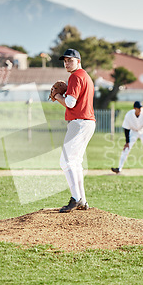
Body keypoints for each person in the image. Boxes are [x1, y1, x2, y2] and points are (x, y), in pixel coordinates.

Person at [53, 48, 96, 213]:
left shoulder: (76, 76)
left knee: (66, 161)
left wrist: (57, 97)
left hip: (79, 122)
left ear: (78, 61)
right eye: (65, 61)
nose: (66, 63)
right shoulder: (85, 76)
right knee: (75, 162)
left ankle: (76, 199)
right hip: (87, 122)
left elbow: (70, 103)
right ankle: (82, 200)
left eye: (70, 60)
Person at [111, 101, 143, 176]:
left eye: (141, 108)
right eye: (138, 108)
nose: (140, 109)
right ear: (134, 108)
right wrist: (127, 142)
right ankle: (119, 168)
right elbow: (126, 128)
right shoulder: (129, 114)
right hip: (133, 131)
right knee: (126, 149)